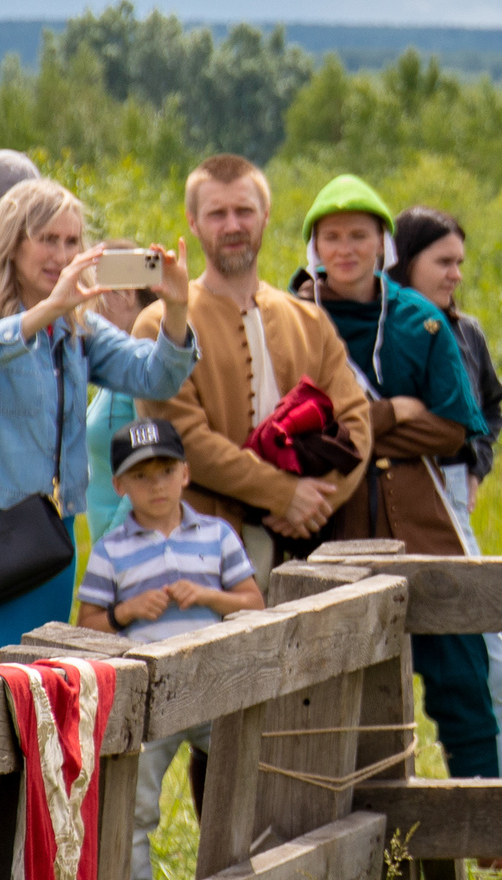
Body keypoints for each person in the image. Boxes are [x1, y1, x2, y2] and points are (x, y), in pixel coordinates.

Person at [299, 175, 500, 780]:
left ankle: (484, 819)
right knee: (339, 688)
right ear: (314, 246)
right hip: (330, 519)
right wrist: (391, 414)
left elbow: (453, 430)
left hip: (422, 517)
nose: (346, 248)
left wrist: (351, 431)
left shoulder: (421, 320)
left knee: (463, 675)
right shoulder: (294, 320)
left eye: (359, 235)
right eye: (332, 236)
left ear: (382, 242)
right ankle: (361, 822)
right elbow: (296, 434)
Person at [135, 156, 371, 576]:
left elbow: (357, 423)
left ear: (265, 216)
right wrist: (283, 494)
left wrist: (316, 501)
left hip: (306, 550)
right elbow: (184, 438)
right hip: (199, 555)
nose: (232, 226)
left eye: (244, 211)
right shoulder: (161, 324)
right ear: (193, 222)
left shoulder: (310, 322)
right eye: (217, 214)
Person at [0, 182, 198, 641]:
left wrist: (175, 306)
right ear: (13, 243)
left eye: (72, 241)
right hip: (6, 524)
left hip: (52, 531)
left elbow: (156, 377)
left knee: (37, 664)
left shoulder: (77, 330)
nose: (61, 254)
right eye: (47, 239)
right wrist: (49, 309)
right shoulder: (35, 321)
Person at [75, 418, 261, 880]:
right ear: (119, 486)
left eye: (165, 472)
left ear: (185, 473)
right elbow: (86, 624)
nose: (156, 485)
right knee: (135, 802)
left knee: (248, 784)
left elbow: (254, 603)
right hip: (150, 695)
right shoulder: (111, 551)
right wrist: (126, 611)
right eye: (141, 476)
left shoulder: (217, 536)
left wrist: (209, 595)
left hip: (217, 684)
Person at [390, 206, 502, 782]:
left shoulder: (466, 331)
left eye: (459, 263)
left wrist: (475, 463)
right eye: (443, 262)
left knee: (487, 660)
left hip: (449, 495)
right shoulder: (383, 330)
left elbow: (487, 410)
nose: (456, 274)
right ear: (405, 261)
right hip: (382, 498)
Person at [81, 238, 163, 547]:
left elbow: (152, 459)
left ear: (125, 292)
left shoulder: (144, 365)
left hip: (129, 547)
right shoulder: (120, 367)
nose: (81, 305)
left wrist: (113, 545)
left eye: (89, 290)